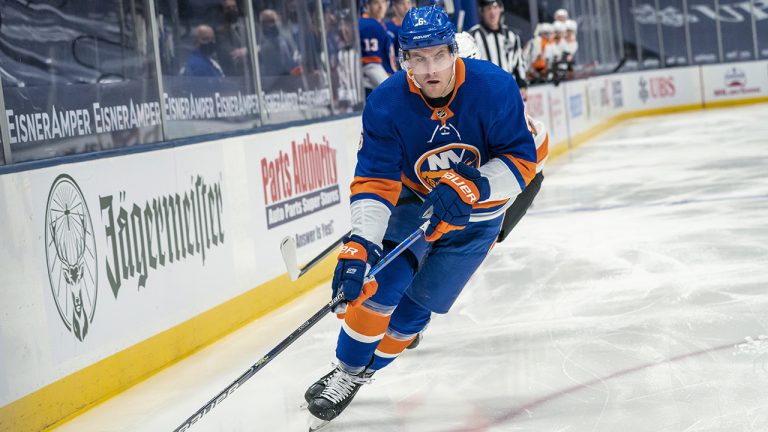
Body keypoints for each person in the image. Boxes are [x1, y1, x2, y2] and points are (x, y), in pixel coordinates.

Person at [304, 5, 537, 427]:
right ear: (403, 59)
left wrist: (474, 186)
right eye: (418, 58)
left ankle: (367, 372)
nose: (430, 69)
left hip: (478, 218)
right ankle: (346, 372)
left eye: (439, 56)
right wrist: (361, 244)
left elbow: (522, 162)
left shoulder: (495, 87)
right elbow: (375, 180)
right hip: (417, 204)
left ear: (454, 52)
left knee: (414, 312)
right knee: (381, 285)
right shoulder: (386, 103)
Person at [468, 0, 528, 98]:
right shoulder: (472, 36)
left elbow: (519, 63)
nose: (492, 12)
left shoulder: (512, 35)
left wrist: (522, 85)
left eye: (495, 7)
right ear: (482, 11)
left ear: (500, 9)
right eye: (488, 8)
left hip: (509, 91)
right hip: (484, 93)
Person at [359, 0, 397, 96]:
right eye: (376, 3)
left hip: (380, 84)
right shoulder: (369, 25)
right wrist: (390, 89)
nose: (381, 7)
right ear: (367, 5)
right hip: (376, 88)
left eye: (383, 2)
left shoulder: (377, 24)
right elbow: (371, 66)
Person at [214, 0, 249, 77]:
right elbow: (231, 54)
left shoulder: (249, 26)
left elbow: (261, 45)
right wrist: (250, 51)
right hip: (234, 73)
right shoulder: (220, 32)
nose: (232, 10)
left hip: (252, 70)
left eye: (234, 7)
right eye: (228, 8)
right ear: (223, 11)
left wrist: (246, 51)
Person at [386, 0, 413, 70]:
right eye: (402, 4)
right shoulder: (387, 28)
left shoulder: (417, 27)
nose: (406, 7)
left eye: (408, 3)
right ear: (394, 7)